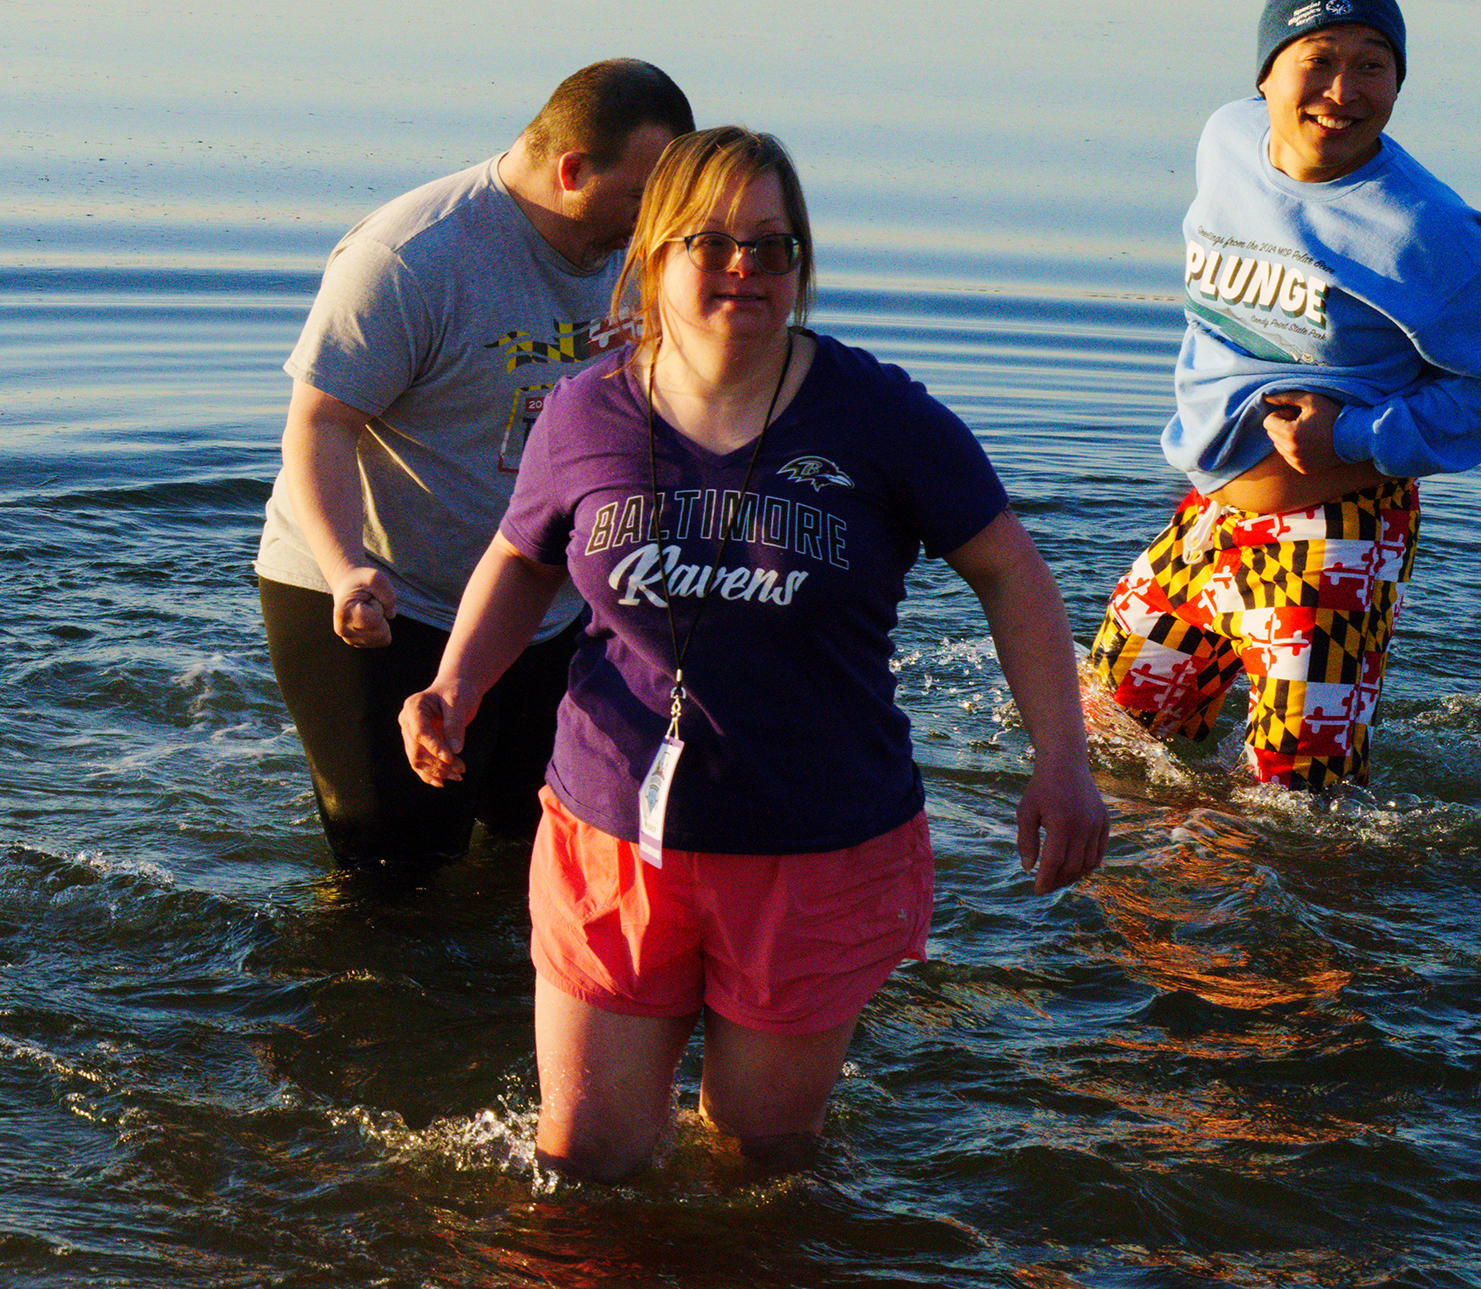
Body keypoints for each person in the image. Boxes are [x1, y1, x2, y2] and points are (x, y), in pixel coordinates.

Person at [400, 127, 1109, 1179]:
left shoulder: (879, 416)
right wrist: (454, 686)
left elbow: (1012, 571)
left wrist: (1064, 761)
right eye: (714, 242)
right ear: (651, 258)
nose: (747, 268)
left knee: (762, 1166)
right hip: (613, 835)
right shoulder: (585, 409)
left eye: (774, 247)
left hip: (815, 846)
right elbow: (521, 555)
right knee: (584, 1164)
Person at [1089, 0, 1481, 793]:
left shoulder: (1424, 230)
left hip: (1334, 540)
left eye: (1373, 64)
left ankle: (1308, 918)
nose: (1343, 91)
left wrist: (1351, 436)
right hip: (1211, 517)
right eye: (1318, 58)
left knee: (1300, 804)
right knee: (1106, 731)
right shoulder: (1226, 140)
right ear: (1266, 73)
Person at [257, 59, 695, 869]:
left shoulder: (651, 255)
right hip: (386, 598)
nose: (657, 224)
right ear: (571, 172)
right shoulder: (412, 257)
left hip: (542, 600)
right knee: (395, 871)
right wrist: (346, 567)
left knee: (549, 845)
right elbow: (319, 425)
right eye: (641, 198)